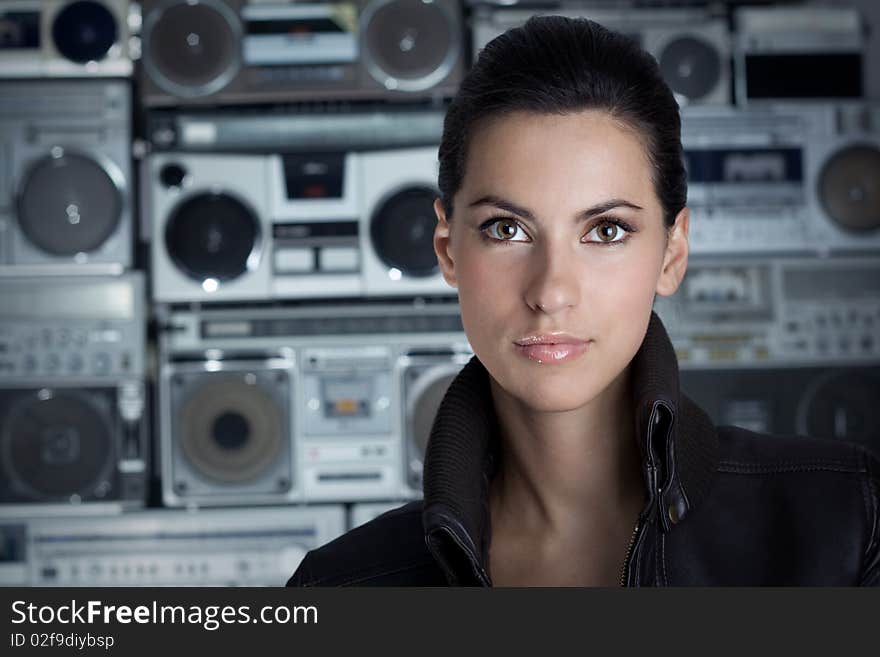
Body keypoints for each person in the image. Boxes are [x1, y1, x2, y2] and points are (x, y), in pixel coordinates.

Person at [287, 16, 880, 586]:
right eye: (506, 229)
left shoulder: (849, 524)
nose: (551, 293)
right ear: (447, 249)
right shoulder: (342, 586)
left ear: (672, 253)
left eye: (606, 231)